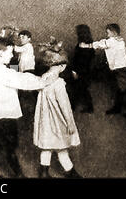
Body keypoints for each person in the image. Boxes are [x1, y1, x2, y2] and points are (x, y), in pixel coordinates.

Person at [0, 37, 54, 178]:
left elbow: (18, 76)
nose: (12, 55)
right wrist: (43, 81)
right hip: (5, 115)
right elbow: (22, 81)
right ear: (0, 54)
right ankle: (19, 174)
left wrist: (38, 79)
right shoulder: (2, 72)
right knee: (10, 147)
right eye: (10, 52)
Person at [33, 37, 82, 178]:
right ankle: (71, 172)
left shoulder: (43, 78)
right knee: (62, 148)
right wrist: (70, 124)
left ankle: (43, 173)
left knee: (47, 147)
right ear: (62, 66)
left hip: (45, 120)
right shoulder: (59, 84)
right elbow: (65, 106)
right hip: (57, 121)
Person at [79, 23, 126, 117]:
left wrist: (85, 46)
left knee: (125, 90)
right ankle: (119, 108)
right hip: (123, 68)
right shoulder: (120, 40)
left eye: (108, 32)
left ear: (113, 32)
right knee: (120, 89)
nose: (107, 34)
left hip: (120, 69)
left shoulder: (112, 41)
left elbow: (100, 44)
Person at [69, 25, 95, 113]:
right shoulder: (90, 44)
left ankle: (73, 107)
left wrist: (74, 71)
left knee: (79, 89)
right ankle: (75, 106)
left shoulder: (82, 46)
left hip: (81, 71)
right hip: (86, 71)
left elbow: (79, 60)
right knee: (81, 89)